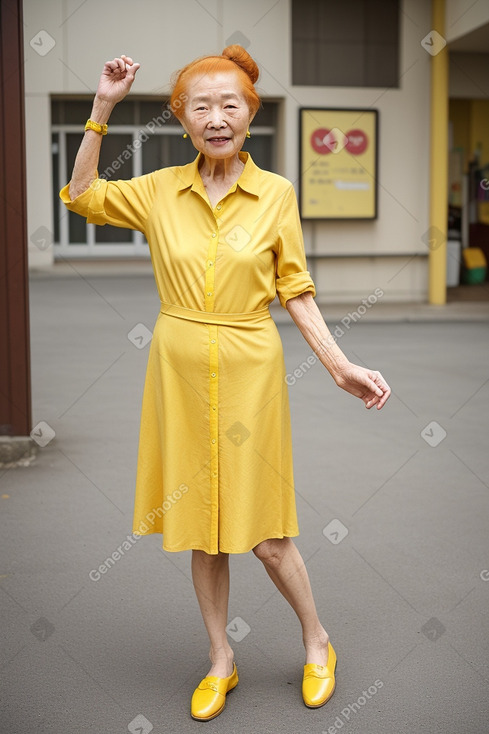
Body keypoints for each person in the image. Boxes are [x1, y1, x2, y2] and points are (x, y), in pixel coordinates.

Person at [60, 47, 391, 722]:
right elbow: (82, 197)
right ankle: (221, 659)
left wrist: (338, 365)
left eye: (230, 104)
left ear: (250, 115)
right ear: (182, 118)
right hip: (178, 367)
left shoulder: (275, 195)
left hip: (249, 365)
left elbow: (293, 287)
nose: (217, 116)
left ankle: (317, 641)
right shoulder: (156, 190)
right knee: (202, 532)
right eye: (201, 105)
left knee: (266, 533)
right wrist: (102, 108)